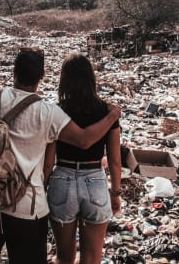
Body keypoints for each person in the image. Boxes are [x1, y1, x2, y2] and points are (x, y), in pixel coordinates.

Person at [0, 47, 122, 264]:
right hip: (28, 206)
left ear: (14, 72)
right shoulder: (49, 113)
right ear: (41, 76)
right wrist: (112, 117)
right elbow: (86, 141)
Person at [44, 53, 122, 264]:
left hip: (62, 179)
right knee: (92, 256)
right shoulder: (107, 112)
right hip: (95, 181)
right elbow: (115, 160)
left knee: (64, 256)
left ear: (64, 79)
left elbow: (49, 162)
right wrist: (115, 193)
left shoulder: (57, 111)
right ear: (91, 78)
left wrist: (42, 188)